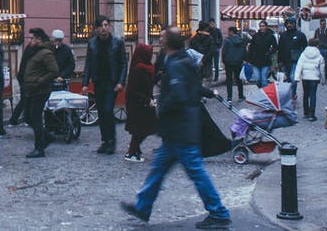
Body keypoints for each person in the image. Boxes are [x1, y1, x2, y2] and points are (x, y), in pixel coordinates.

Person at [121, 30, 231, 228]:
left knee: (196, 172)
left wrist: (162, 108)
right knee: (158, 170)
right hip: (178, 129)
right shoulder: (181, 60)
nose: (160, 39)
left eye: (162, 37)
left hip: (180, 129)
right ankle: (143, 207)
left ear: (168, 42)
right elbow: (194, 87)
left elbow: (178, 95)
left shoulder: (177, 64)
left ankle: (219, 212)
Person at [83, 17, 127, 155]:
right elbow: (88, 64)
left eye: (106, 25)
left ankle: (111, 141)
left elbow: (123, 64)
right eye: (101, 25)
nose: (104, 28)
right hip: (98, 81)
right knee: (101, 112)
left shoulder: (117, 42)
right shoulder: (92, 43)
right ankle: (104, 141)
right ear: (96, 28)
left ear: (109, 27)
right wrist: (85, 83)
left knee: (108, 110)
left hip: (112, 82)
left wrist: (121, 82)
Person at [19, 28, 58, 158]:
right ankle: (48, 137)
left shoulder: (46, 53)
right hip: (31, 90)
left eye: (31, 38)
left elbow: (53, 71)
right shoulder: (34, 51)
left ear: (39, 39)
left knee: (35, 118)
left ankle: (39, 148)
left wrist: (40, 81)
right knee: (28, 117)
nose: (29, 41)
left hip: (40, 90)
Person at [123, 42, 157, 162]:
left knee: (144, 129)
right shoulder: (138, 70)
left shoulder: (147, 67)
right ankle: (132, 152)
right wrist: (147, 100)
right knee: (140, 130)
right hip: (138, 105)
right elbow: (133, 90)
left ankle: (134, 150)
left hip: (145, 104)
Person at [293, 38, 325, 121]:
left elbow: (299, 66)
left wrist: (296, 77)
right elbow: (322, 69)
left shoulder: (303, 54)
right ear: (317, 45)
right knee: (313, 95)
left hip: (305, 77)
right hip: (314, 77)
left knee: (305, 94)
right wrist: (323, 79)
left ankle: (306, 112)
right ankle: (312, 114)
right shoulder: (319, 55)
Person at [220, 26, 249, 102]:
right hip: (238, 62)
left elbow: (224, 52)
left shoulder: (227, 40)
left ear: (231, 32)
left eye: (228, 31)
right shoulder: (241, 40)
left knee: (229, 80)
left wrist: (223, 61)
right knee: (239, 79)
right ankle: (241, 95)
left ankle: (229, 97)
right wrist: (245, 59)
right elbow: (244, 51)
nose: (228, 33)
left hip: (229, 62)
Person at [247, 21, 277, 88]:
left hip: (265, 60)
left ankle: (264, 95)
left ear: (266, 27)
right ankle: (260, 92)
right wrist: (248, 59)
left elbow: (275, 47)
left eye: (263, 26)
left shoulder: (271, 36)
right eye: (260, 26)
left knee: (264, 79)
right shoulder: (256, 36)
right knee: (257, 79)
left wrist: (269, 52)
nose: (261, 27)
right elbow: (251, 48)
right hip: (255, 60)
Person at [277, 20, 307, 84]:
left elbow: (305, 48)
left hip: (295, 60)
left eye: (291, 23)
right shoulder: (283, 35)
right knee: (286, 78)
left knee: (293, 77)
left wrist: (304, 60)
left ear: (294, 24)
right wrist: (279, 61)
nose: (289, 25)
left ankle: (293, 93)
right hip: (285, 60)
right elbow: (280, 48)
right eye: (287, 23)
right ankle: (289, 93)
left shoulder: (300, 35)